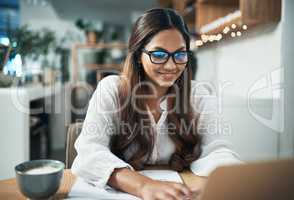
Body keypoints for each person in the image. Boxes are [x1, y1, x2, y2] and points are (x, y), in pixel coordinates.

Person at [72, 8, 241, 200]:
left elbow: (217, 150)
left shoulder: (199, 95)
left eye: (180, 55)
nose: (171, 66)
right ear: (137, 55)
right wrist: (143, 186)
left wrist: (228, 180)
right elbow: (89, 153)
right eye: (159, 55)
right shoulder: (111, 90)